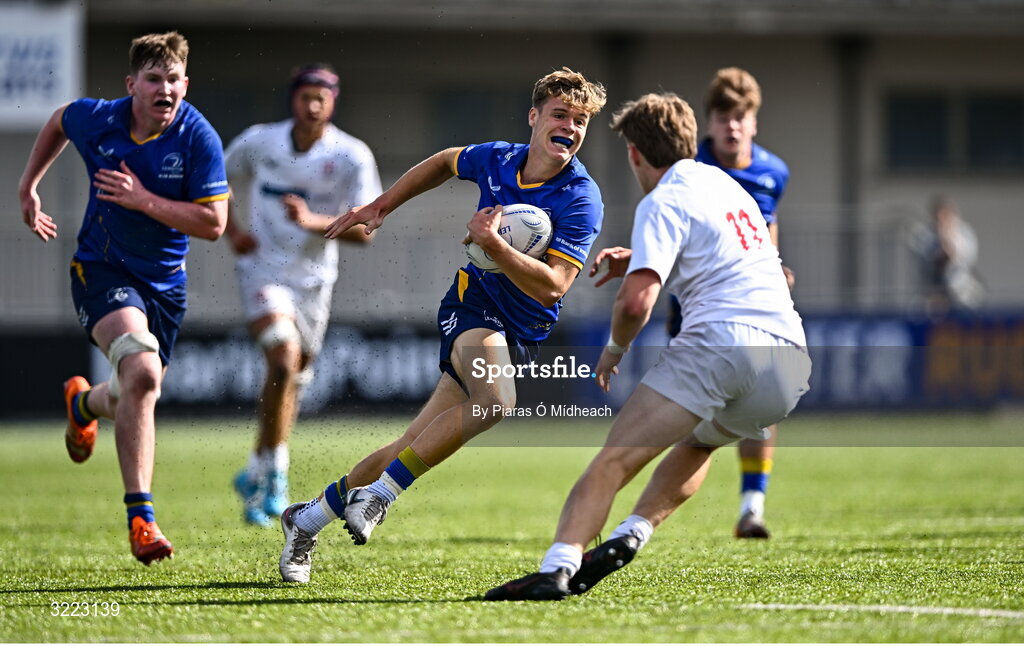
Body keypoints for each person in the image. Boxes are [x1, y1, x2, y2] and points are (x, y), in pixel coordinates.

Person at [276, 67, 607, 583]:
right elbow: (445, 162)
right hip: (472, 305)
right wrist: (382, 204)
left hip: (522, 331)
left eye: (581, 120)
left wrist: (495, 244)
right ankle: (382, 497)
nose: (569, 126)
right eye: (560, 114)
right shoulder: (499, 158)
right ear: (535, 117)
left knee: (404, 446)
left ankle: (306, 519)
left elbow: (555, 286)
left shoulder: (581, 197)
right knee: (498, 400)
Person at [484, 92, 810, 601]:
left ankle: (557, 567)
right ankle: (631, 533)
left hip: (721, 343)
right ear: (688, 140)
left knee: (613, 462)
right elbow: (730, 251)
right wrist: (640, 256)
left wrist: (613, 350)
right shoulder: (724, 183)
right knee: (699, 442)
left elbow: (637, 304)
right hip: (788, 363)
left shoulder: (661, 199)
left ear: (635, 154)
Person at [17, 32, 228, 565]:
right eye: (154, 79)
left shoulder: (197, 137)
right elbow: (61, 119)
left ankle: (82, 403)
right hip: (101, 269)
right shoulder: (101, 120)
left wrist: (143, 199)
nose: (165, 89)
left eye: (174, 79)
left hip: (165, 287)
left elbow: (214, 224)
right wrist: (28, 187)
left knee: (134, 387)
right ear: (131, 85)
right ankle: (142, 519)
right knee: (144, 371)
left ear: (186, 83)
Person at [223, 64, 382, 527]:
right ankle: (277, 476)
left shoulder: (351, 155)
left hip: (314, 281)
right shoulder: (259, 141)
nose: (312, 105)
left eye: (322, 98)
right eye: (305, 96)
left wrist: (312, 220)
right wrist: (232, 230)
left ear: (333, 102)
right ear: (292, 99)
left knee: (291, 376)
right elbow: (213, 180)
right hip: (261, 271)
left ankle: (256, 466)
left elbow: (366, 230)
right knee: (282, 357)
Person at [666, 67, 791, 539]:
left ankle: (751, 509)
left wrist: (775, 266)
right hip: (697, 313)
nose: (732, 126)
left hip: (757, 312)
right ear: (709, 123)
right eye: (723, 116)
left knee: (762, 405)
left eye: (741, 116)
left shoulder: (773, 172)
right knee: (691, 418)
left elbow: (768, 227)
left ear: (754, 122)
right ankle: (659, 509)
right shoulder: (689, 170)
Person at [910, 195, 984, 313]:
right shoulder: (924, 235)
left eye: (947, 216)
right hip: (931, 292)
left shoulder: (964, 233)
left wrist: (948, 240)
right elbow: (925, 263)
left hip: (961, 291)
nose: (943, 220)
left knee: (972, 303)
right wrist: (940, 243)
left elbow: (965, 260)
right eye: (940, 217)